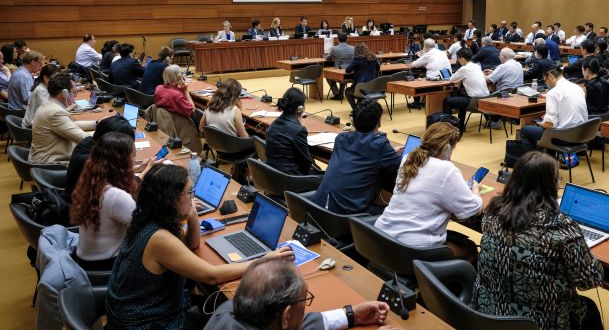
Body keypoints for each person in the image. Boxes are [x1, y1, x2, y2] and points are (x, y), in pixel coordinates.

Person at [106, 164, 294, 330]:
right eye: (189, 193)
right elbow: (212, 276)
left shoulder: (151, 219)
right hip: (147, 324)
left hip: (141, 312)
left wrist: (192, 215)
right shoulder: (158, 238)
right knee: (238, 314)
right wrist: (264, 260)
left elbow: (192, 243)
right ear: (170, 199)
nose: (192, 197)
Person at [472, 152, 604, 330]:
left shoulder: (493, 212)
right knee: (589, 309)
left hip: (489, 311)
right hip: (540, 322)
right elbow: (590, 280)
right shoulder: (560, 226)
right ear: (551, 185)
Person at [375, 123, 483, 260]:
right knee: (469, 247)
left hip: (383, 237)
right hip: (413, 249)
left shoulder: (408, 158)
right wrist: (476, 189)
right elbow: (475, 208)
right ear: (448, 149)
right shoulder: (447, 169)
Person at [204, 257, 395, 330]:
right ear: (286, 317)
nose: (304, 312)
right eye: (304, 303)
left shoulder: (227, 310)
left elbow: (297, 324)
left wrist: (350, 314)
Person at [71, 132, 159, 271]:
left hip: (86, 260)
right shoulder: (117, 197)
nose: (134, 159)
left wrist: (138, 170)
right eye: (133, 155)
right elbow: (148, 230)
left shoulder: (93, 181)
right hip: (107, 267)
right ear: (122, 162)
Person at [313, 99, 401, 215]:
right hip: (344, 217)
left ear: (353, 121)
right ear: (379, 122)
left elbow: (362, 152)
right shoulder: (380, 145)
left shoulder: (341, 139)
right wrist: (390, 154)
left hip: (318, 207)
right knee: (396, 213)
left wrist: (388, 154)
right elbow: (403, 167)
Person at [65, 115, 136, 203]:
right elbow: (120, 186)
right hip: (79, 208)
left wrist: (137, 168)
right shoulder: (92, 162)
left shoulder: (88, 142)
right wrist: (144, 172)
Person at [29, 73, 96, 165]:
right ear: (64, 93)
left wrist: (97, 124)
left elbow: (71, 125)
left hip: (47, 155)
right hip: (51, 163)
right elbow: (84, 139)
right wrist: (105, 132)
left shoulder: (49, 104)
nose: (76, 95)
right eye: (74, 92)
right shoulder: (55, 112)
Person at [519, 68, 588, 150]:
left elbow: (549, 125)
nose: (547, 83)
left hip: (564, 137)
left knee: (525, 130)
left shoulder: (553, 93)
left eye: (545, 80)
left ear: (550, 76)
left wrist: (539, 123)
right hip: (582, 135)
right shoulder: (577, 88)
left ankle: (535, 160)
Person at [265, 88, 318, 176]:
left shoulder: (273, 125)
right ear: (300, 109)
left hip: (273, 176)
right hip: (292, 179)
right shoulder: (299, 130)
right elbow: (306, 163)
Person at [443, 48, 489, 129]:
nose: (458, 61)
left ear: (462, 59)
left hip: (474, 101)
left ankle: (449, 127)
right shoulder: (477, 66)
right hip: (485, 100)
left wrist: (459, 79)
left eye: (458, 59)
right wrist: (461, 79)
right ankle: (460, 126)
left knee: (447, 101)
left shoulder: (464, 69)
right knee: (462, 99)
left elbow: (451, 79)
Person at [21, 63, 61, 127]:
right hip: (32, 127)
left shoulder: (44, 87)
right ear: (46, 78)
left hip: (37, 123)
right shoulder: (41, 90)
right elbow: (48, 112)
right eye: (55, 78)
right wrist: (68, 109)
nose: (57, 81)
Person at [344, 44, 381, 110]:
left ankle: (356, 110)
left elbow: (347, 70)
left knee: (347, 91)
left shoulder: (357, 60)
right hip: (373, 87)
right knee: (358, 90)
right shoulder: (373, 59)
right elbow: (378, 68)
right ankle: (359, 107)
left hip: (362, 88)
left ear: (356, 52)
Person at [325, 33, 354, 100]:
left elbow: (328, 59)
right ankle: (340, 93)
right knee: (342, 76)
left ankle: (337, 93)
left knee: (328, 75)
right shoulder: (353, 48)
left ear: (337, 40)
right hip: (351, 71)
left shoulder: (334, 48)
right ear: (347, 39)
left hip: (339, 70)